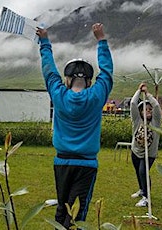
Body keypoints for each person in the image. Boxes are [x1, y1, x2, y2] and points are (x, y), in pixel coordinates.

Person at [36, 23, 113, 228]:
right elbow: (107, 72)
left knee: (62, 207)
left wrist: (45, 41)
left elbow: (49, 70)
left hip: (61, 162)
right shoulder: (97, 96)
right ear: (89, 81)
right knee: (78, 214)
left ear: (68, 79)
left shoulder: (59, 94)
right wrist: (101, 40)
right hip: (86, 164)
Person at [129, 82, 162, 207]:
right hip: (136, 151)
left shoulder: (155, 122)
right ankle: (142, 189)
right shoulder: (137, 121)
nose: (148, 111)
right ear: (140, 112)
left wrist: (148, 94)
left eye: (149, 109)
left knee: (143, 172)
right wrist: (139, 91)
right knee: (138, 172)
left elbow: (157, 106)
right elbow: (133, 103)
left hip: (149, 154)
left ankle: (146, 197)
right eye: (144, 109)